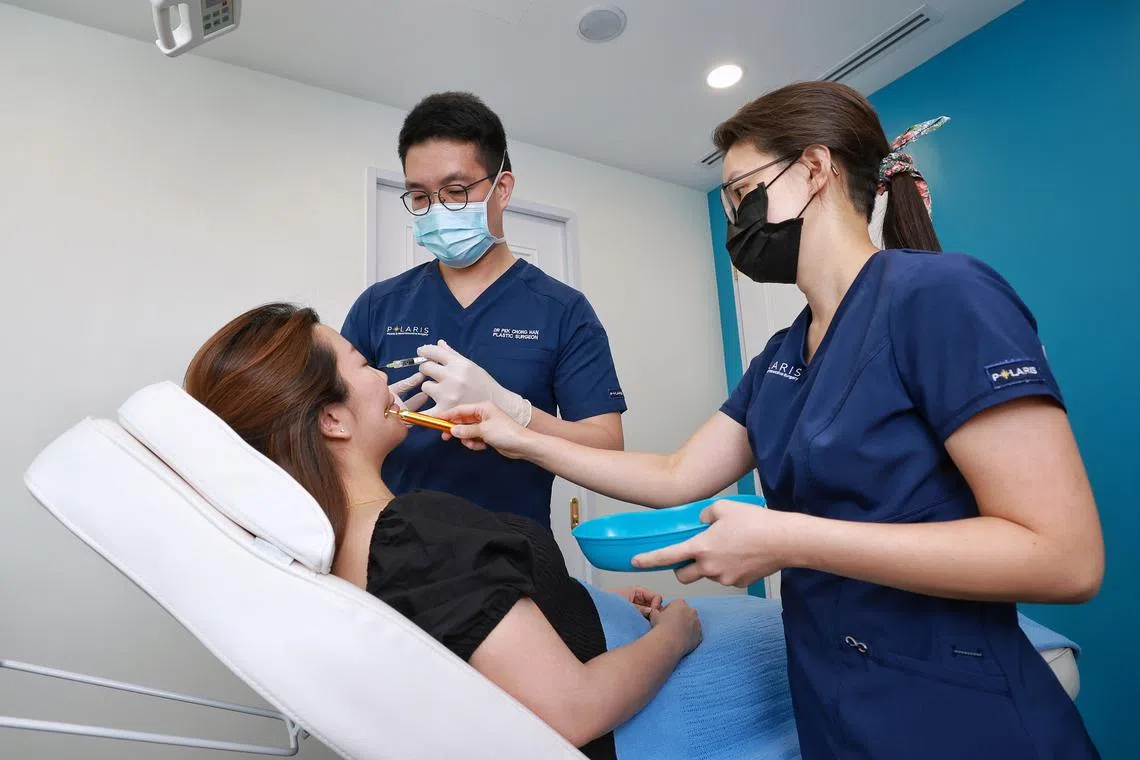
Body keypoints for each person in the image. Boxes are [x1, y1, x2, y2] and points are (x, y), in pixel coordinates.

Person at [437, 81, 1105, 759]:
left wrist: (788, 540)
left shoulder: (941, 295)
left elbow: (1064, 557)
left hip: (960, 709)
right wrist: (517, 437)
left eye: (742, 191)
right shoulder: (783, 356)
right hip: (832, 700)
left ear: (815, 169)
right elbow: (674, 475)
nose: (735, 219)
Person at [183, 303, 803, 760]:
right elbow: (572, 710)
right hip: (649, 712)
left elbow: (480, 625)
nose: (382, 376)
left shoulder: (343, 548)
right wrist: (674, 633)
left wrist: (588, 604)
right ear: (333, 419)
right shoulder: (415, 533)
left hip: (613, 644)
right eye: (364, 364)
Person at [341, 92, 626, 529]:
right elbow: (333, 427)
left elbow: (607, 451)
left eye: (455, 191)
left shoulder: (564, 311)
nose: (436, 210)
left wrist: (513, 411)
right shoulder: (379, 305)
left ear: (502, 189)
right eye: (419, 197)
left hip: (516, 556)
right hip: (395, 551)